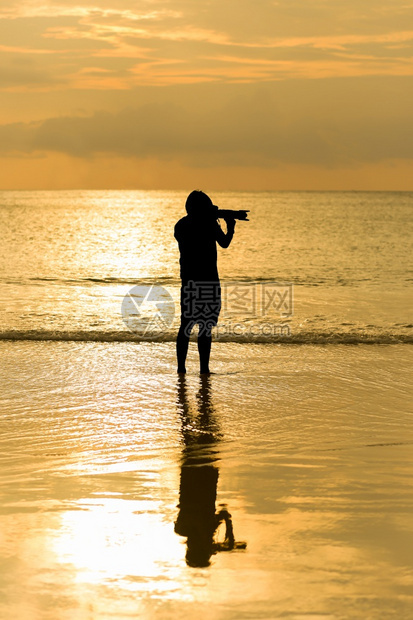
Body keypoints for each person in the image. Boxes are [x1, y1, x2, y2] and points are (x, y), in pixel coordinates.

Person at [174, 190, 236, 374]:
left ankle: (181, 368)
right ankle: (204, 369)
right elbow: (224, 243)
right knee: (205, 327)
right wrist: (230, 226)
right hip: (209, 282)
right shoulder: (208, 224)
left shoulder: (181, 225)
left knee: (186, 325)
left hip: (189, 282)